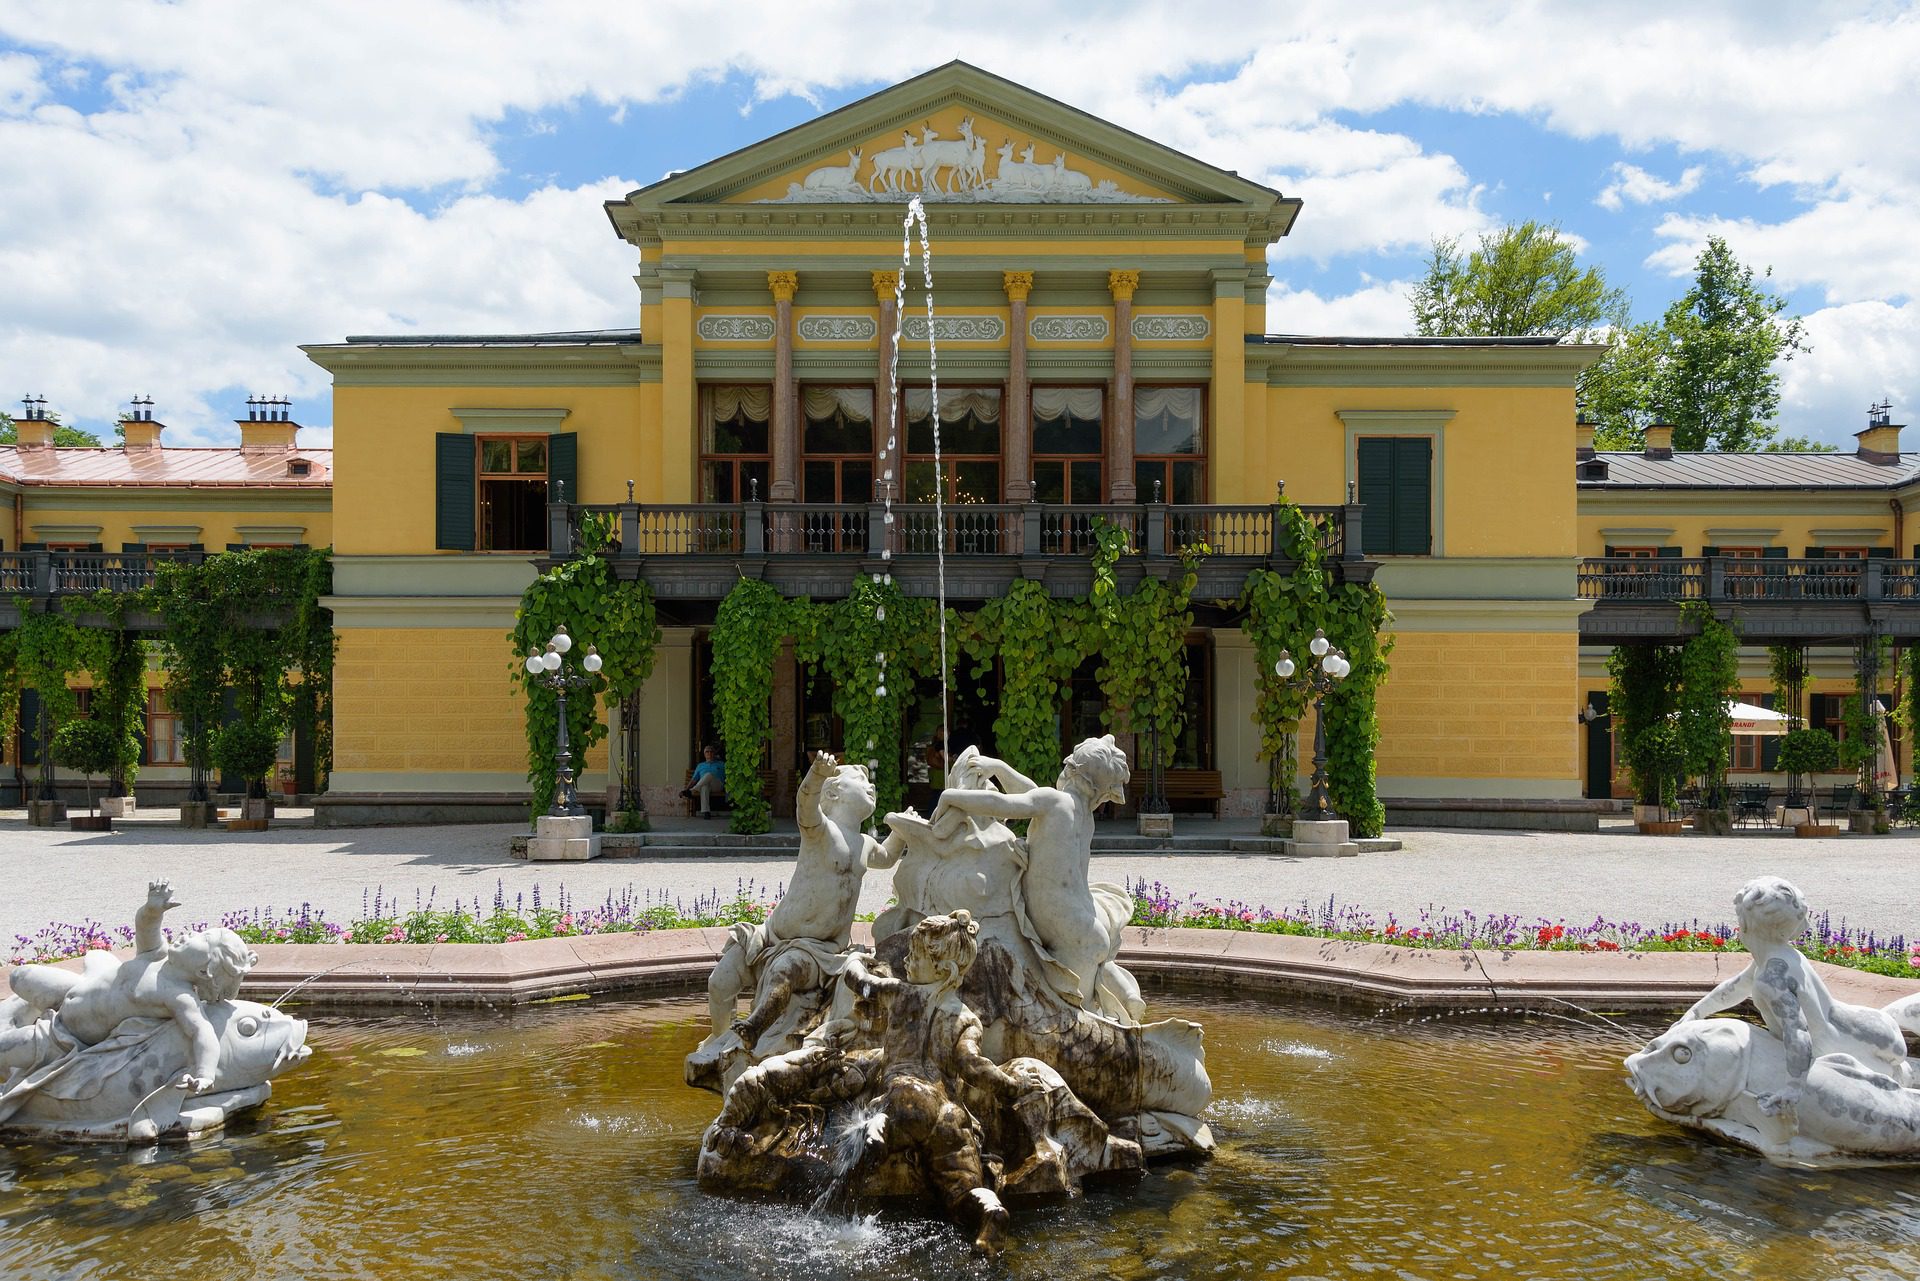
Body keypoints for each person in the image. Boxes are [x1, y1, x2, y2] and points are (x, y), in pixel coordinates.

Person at [1676, 876, 1913, 1131]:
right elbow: (1737, 986)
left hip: (1847, 1051)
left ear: (1744, 924)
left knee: (1896, 1081)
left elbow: (1798, 1034)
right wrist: (1696, 1012)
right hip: (1863, 1026)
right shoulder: (1776, 956)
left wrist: (1793, 1087)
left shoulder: (1771, 977)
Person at [682, 744, 725, 818]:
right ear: (704, 754)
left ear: (714, 753)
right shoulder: (700, 765)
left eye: (711, 751)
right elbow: (694, 780)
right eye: (707, 752)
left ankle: (692, 790)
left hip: (717, 785)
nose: (709, 753)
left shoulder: (721, 764)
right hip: (705, 785)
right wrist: (685, 789)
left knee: (708, 775)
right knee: (704, 786)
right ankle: (706, 812)